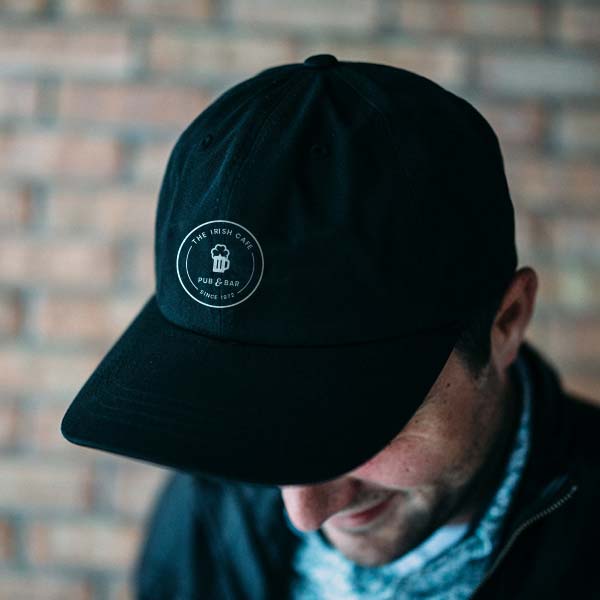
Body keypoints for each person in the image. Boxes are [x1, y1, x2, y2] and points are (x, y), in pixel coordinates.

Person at [60, 55, 600, 599]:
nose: (303, 512)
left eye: (357, 424)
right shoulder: (208, 503)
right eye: (243, 412)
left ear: (506, 322)